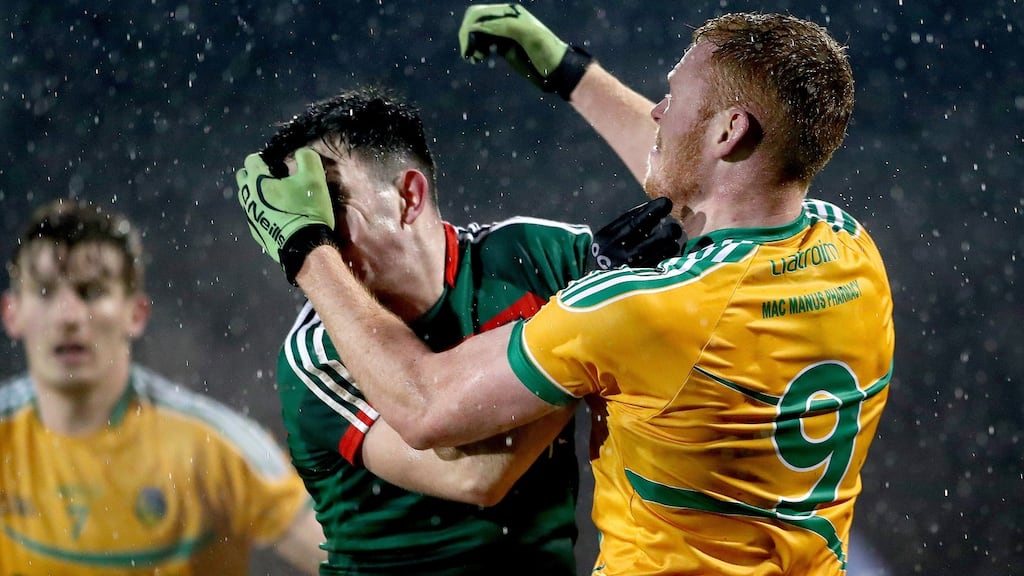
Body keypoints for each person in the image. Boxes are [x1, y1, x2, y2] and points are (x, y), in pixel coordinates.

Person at [235, 5, 894, 575]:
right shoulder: (851, 253)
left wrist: (303, 249)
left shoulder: (631, 305)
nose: (658, 109)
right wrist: (572, 74)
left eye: (675, 97)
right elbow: (719, 185)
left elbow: (432, 412)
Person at [239, 85, 682, 575]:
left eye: (324, 204)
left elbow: (699, 215)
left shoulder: (538, 258)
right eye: (299, 216)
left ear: (408, 197)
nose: (312, 232)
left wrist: (574, 72)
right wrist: (595, 311)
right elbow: (477, 476)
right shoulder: (314, 354)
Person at [0, 199, 325, 575]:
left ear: (136, 314)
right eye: (44, 292)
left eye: (92, 292)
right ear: (12, 313)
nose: (68, 316)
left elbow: (347, 561)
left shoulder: (215, 448)